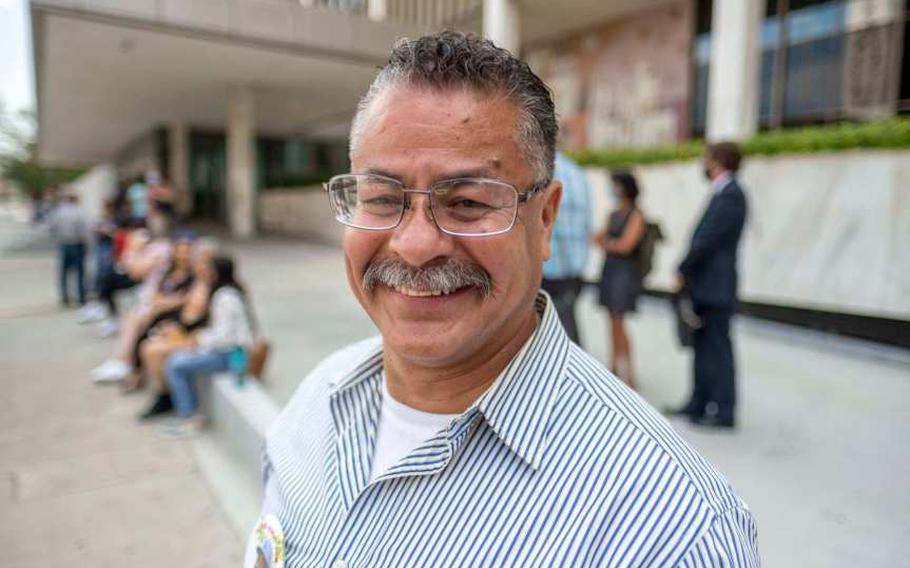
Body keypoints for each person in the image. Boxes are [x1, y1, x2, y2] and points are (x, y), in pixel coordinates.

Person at [246, 32, 759, 567]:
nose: (416, 245)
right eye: (381, 198)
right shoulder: (312, 404)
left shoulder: (671, 531)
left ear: (545, 220)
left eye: (467, 202)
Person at [669, 142, 748, 429]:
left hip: (716, 287)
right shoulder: (722, 193)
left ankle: (724, 411)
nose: (704, 163)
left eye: (707, 158)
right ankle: (698, 402)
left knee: (718, 348)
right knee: (702, 345)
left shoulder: (731, 195)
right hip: (706, 286)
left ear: (718, 161)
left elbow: (707, 240)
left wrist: (683, 268)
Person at [158, 255, 254, 437]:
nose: (206, 273)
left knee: (176, 365)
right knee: (177, 359)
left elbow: (225, 337)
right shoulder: (225, 293)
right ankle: (187, 412)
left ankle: (189, 417)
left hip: (233, 356)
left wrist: (198, 341)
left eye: (209, 269)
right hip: (225, 351)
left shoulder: (225, 297)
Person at [137, 239, 218, 420]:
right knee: (148, 347)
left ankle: (168, 399)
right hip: (188, 333)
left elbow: (208, 324)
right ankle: (165, 395)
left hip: (201, 339)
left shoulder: (216, 289)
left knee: (153, 351)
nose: (200, 265)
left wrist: (187, 336)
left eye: (204, 262)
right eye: (198, 261)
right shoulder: (196, 283)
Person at [594, 171, 646, 389]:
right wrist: (610, 243)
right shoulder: (614, 213)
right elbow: (598, 237)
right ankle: (614, 366)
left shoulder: (637, 215)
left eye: (615, 186)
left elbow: (626, 245)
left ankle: (630, 372)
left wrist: (608, 243)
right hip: (610, 270)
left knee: (620, 321)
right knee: (611, 321)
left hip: (625, 274)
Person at [540, 151, 592, 346]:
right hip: (575, 271)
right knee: (568, 327)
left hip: (548, 268)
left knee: (547, 336)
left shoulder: (540, 169)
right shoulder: (577, 172)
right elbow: (589, 224)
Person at [48, 191, 89, 308]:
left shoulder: (59, 212)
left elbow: (51, 227)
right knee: (80, 273)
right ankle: (81, 298)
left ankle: (65, 297)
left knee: (64, 273)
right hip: (78, 243)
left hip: (64, 243)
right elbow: (85, 230)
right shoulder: (81, 212)